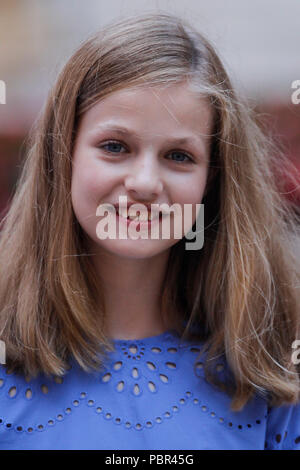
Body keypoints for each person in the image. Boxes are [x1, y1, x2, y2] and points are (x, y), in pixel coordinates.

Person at [0, 12, 299, 450]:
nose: (144, 182)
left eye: (179, 156)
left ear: (212, 182)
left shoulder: (271, 365)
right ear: (61, 156)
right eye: (115, 147)